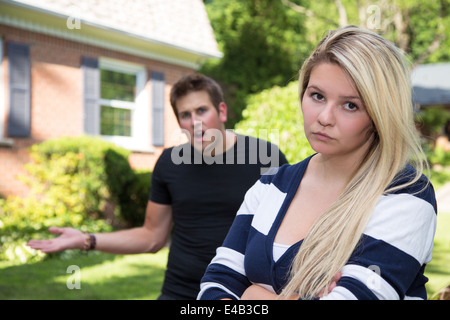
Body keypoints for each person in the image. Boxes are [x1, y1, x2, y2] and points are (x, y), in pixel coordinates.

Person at [198, 26, 437, 300]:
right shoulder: (270, 185)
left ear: (379, 116)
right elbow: (216, 286)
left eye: (350, 105)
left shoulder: (405, 195)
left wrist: (254, 294)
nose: (324, 117)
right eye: (317, 96)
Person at [28, 73, 288, 300]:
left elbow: (288, 230)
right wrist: (87, 239)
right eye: (185, 115)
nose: (195, 123)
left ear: (221, 111)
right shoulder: (169, 164)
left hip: (238, 293)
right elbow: (152, 236)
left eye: (201, 111)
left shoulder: (264, 157)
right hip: (179, 291)